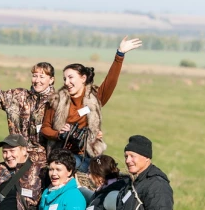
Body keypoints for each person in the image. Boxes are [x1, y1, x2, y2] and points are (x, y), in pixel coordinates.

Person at [41, 36, 142, 172]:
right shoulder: (56, 101)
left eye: (71, 77)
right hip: (63, 156)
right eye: (65, 78)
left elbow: (110, 82)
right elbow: (45, 128)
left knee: (109, 171)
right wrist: (59, 134)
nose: (66, 82)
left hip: (90, 154)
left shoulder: (94, 98)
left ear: (83, 78)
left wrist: (120, 54)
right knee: (80, 167)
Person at [0, 49, 55, 164]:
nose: (37, 80)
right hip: (15, 156)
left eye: (42, 77)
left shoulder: (56, 102)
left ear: (51, 80)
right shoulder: (18, 95)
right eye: (35, 76)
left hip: (42, 161)